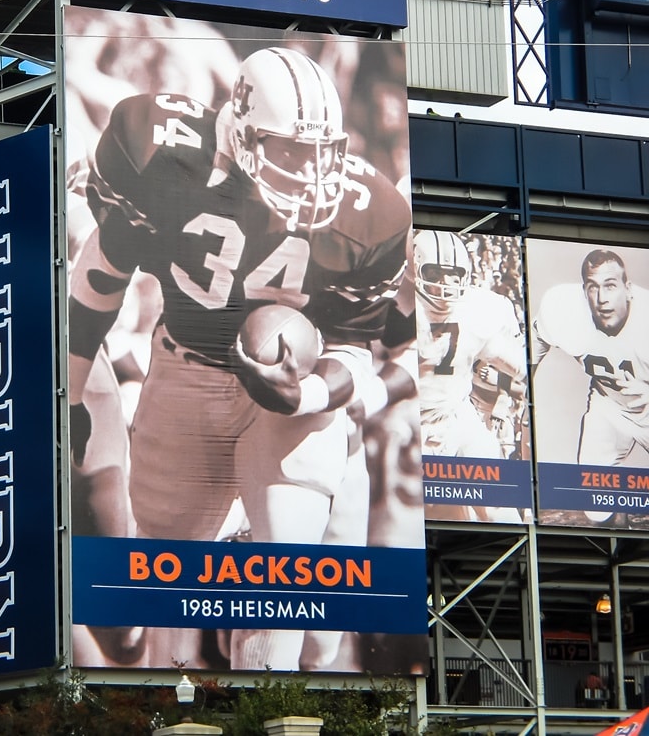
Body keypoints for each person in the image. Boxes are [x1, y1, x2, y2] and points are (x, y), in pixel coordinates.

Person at [67, 46, 416, 672]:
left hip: (291, 387)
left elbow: (354, 348)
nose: (311, 171)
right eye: (289, 149)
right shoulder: (162, 152)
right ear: (243, 128)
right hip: (186, 370)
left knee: (294, 593)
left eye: (323, 152)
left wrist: (303, 394)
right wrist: (65, 393)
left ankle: (270, 704)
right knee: (165, 585)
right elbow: (101, 271)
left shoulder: (373, 210)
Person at [413, 230, 527, 524]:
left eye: (453, 275)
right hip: (406, 423)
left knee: (500, 511)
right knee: (430, 520)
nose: (444, 284)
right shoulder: (398, 304)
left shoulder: (480, 308)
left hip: (456, 416)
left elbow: (517, 365)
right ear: (415, 266)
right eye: (435, 273)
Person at [531, 249, 649, 519]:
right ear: (584, 292)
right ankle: (618, 533)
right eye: (593, 287)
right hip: (610, 405)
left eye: (610, 286)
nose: (602, 298)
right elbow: (530, 352)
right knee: (595, 506)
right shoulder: (563, 311)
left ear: (628, 289)